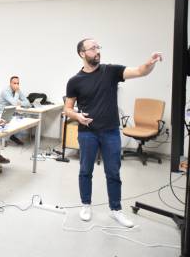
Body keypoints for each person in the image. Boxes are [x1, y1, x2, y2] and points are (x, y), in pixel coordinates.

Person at [64, 38, 162, 228]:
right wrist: (77, 116)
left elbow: (140, 71)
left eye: (98, 47)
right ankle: (86, 205)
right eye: (92, 48)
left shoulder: (110, 71)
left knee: (113, 172)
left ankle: (116, 210)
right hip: (87, 133)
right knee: (85, 171)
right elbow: (67, 108)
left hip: (110, 132)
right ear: (82, 54)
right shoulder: (75, 81)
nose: (97, 51)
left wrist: (150, 64)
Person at [0, 76, 30, 145]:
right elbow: (14, 103)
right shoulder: (5, 91)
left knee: (25, 118)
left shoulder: (17, 90)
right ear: (10, 83)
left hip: (11, 112)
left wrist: (20, 103)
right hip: (2, 113)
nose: (16, 85)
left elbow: (27, 103)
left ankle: (12, 136)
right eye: (14, 83)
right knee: (17, 120)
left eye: (18, 83)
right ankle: (7, 138)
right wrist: (17, 93)